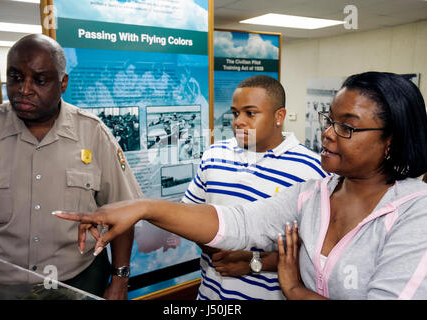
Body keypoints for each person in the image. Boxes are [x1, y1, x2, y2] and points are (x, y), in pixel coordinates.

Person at [54, 71, 427, 299]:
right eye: (328, 119)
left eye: (346, 126)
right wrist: (144, 207)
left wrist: (287, 285)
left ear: (392, 138)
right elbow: (237, 222)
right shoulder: (316, 194)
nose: (327, 134)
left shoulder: (414, 211)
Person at [0, 34, 143, 300]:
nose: (24, 89)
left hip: (79, 283)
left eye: (39, 80)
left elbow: (123, 211)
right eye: (16, 77)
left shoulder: (93, 134)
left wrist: (120, 279)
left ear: (63, 83)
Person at [182, 75, 328, 300]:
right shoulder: (214, 155)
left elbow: (319, 255)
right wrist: (215, 247)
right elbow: (190, 215)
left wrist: (253, 262)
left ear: (279, 116)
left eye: (250, 113)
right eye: (234, 113)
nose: (238, 121)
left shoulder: (312, 170)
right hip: (210, 294)